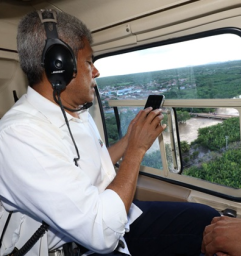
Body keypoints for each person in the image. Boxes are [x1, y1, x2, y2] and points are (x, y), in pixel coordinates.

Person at [0, 9, 220, 256]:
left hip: (116, 214)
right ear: (59, 67)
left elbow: (97, 164)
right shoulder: (19, 136)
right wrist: (136, 151)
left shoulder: (76, 112)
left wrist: (129, 140)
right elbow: (100, 233)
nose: (96, 72)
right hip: (79, 244)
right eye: (88, 62)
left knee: (208, 220)